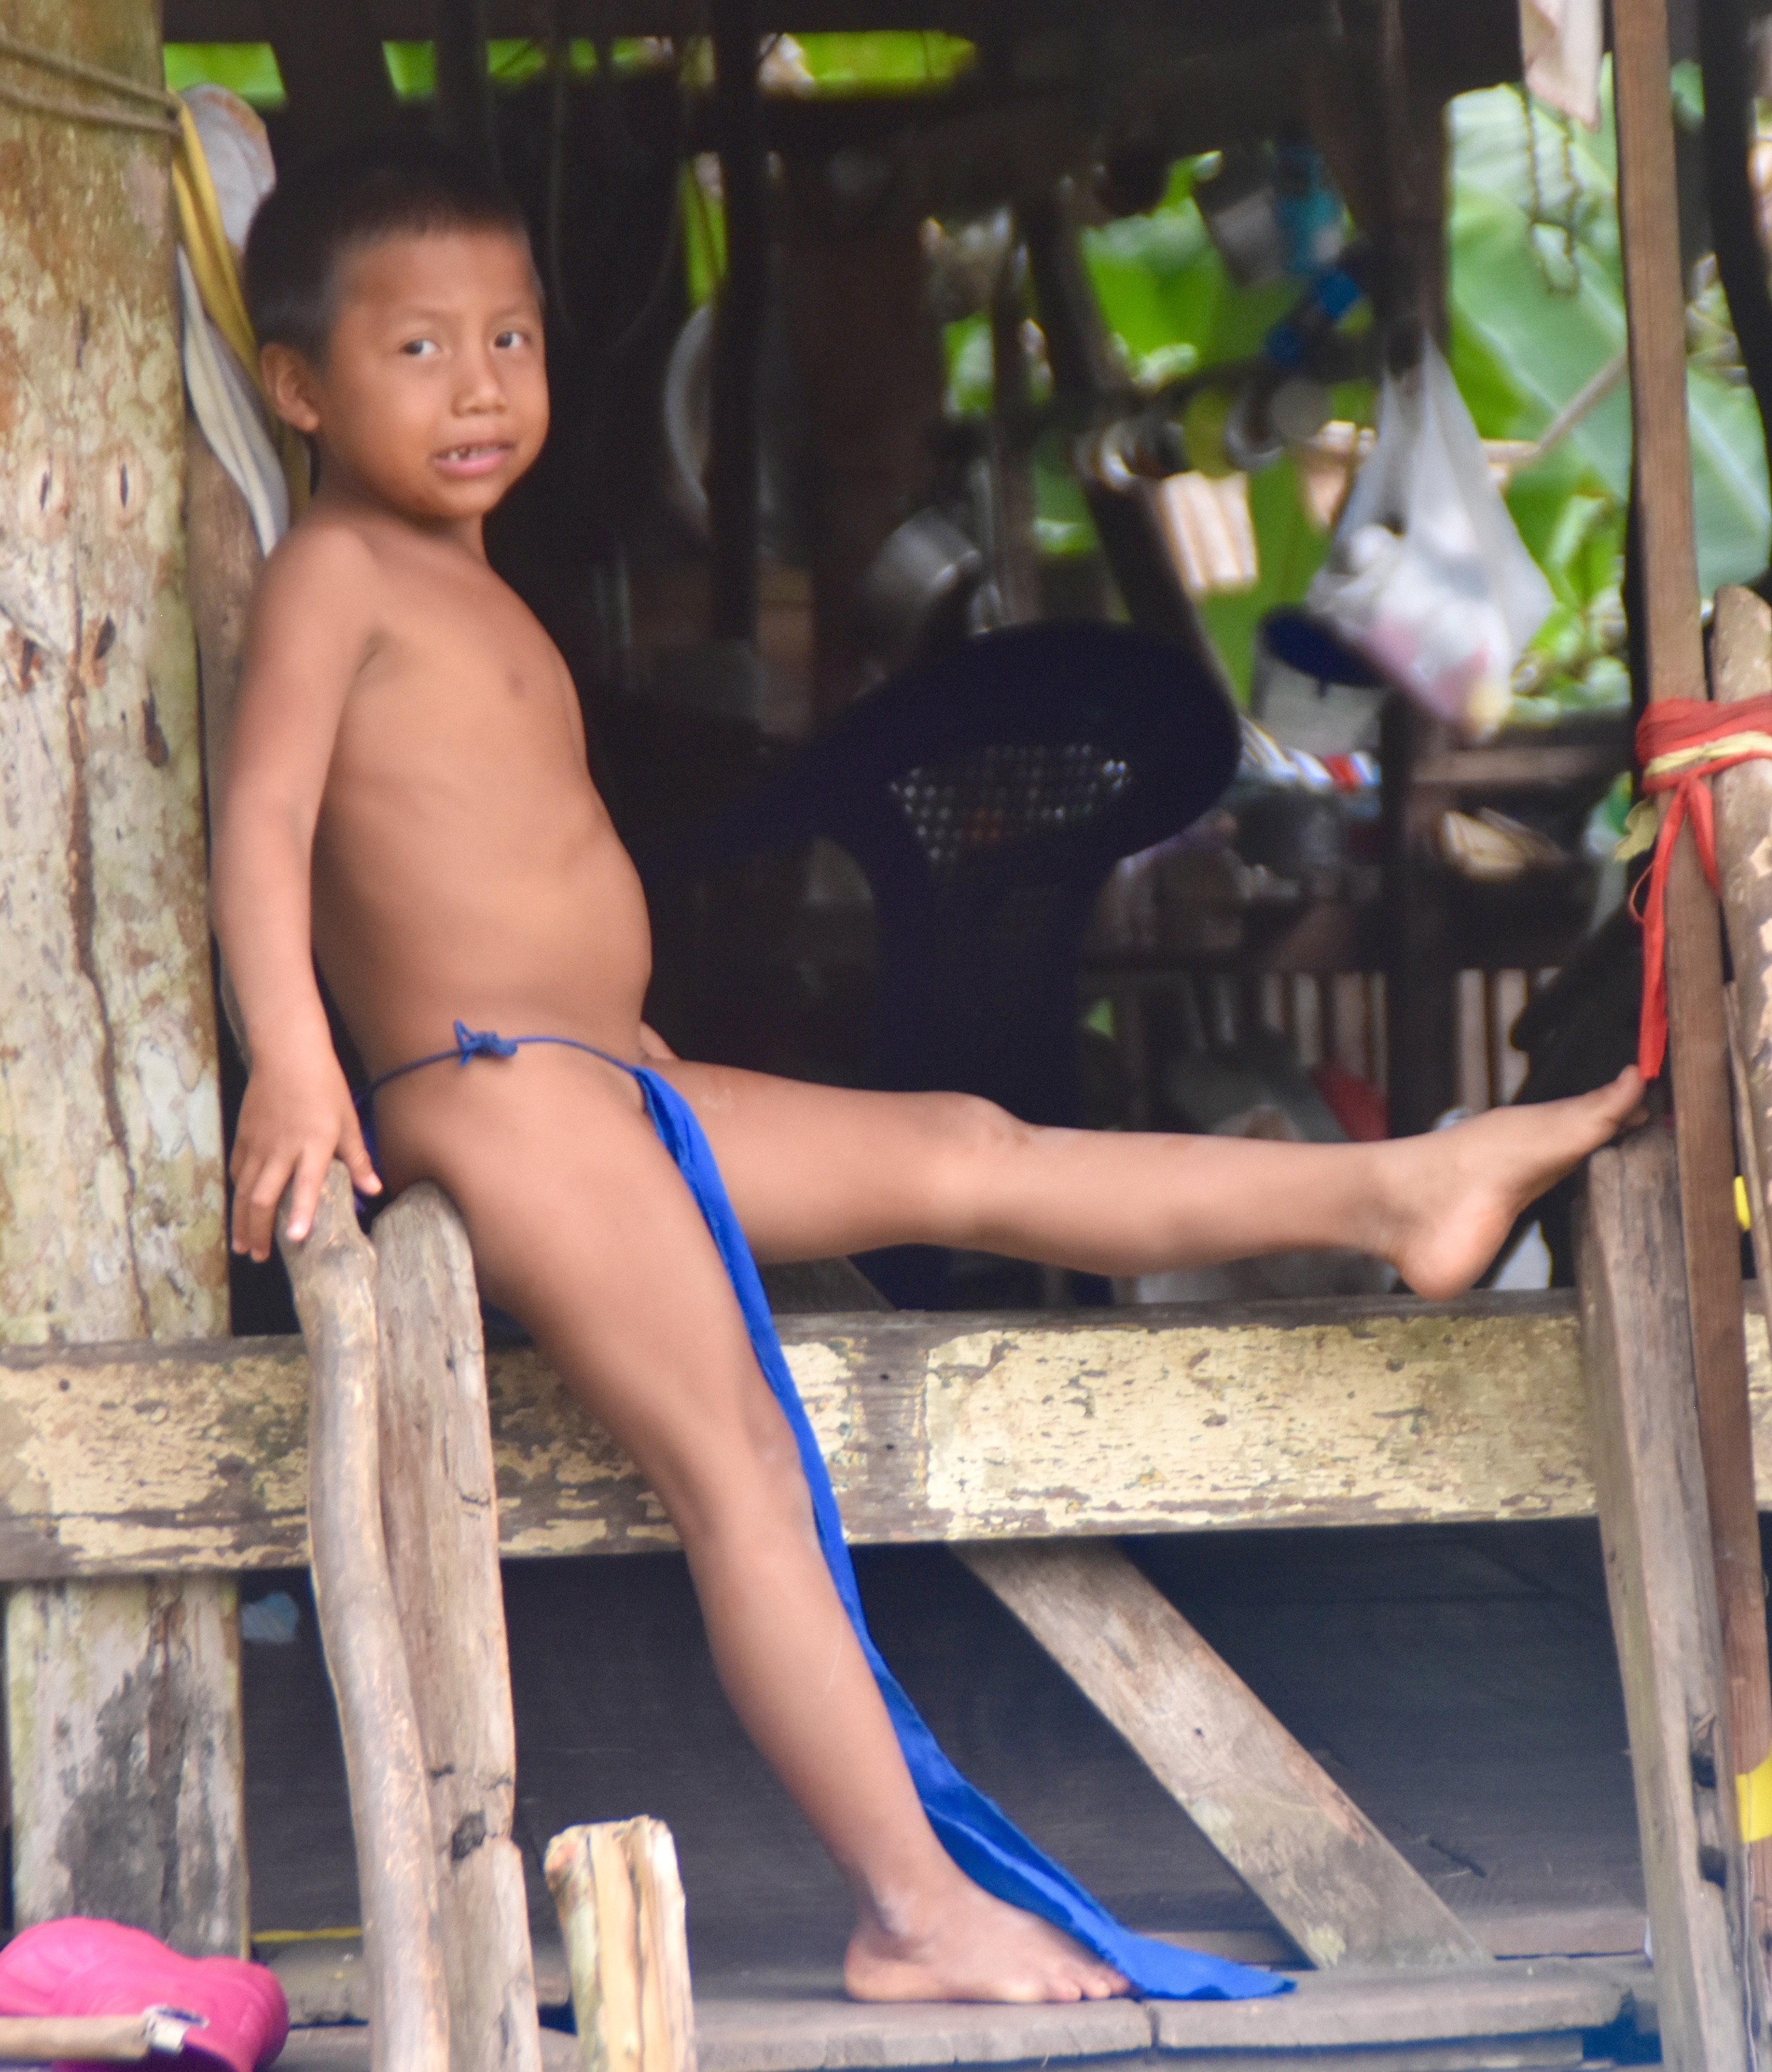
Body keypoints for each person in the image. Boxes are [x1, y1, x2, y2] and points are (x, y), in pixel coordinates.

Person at [213, 141, 1644, 2009]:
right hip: (490, 1096)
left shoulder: (466, 575)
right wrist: (296, 1071)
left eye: (510, 337)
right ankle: (907, 1903)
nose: (480, 385)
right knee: (738, 1466)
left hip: (596, 1076)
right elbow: (262, 824)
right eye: (418, 349)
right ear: (300, 387)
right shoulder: (332, 572)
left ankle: (1395, 1191)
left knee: (974, 1146)